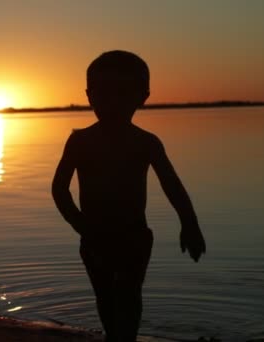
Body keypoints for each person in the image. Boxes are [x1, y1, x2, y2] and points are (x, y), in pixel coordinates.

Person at [52, 50, 206, 342]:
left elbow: (172, 185)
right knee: (105, 295)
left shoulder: (146, 143)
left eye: (122, 93)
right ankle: (115, 336)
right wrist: (81, 225)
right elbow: (59, 189)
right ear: (89, 96)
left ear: (142, 97)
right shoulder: (80, 141)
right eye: (104, 93)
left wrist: (190, 224)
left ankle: (127, 338)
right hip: (94, 235)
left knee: (129, 293)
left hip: (134, 237)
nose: (112, 102)